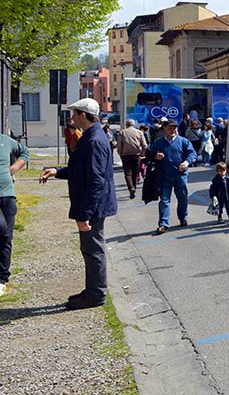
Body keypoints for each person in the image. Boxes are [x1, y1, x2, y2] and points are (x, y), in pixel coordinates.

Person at [39, 98, 117, 310]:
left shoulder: (94, 140)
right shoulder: (92, 136)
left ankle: (96, 293)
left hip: (93, 206)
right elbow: (80, 170)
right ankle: (92, 290)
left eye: (74, 114)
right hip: (91, 204)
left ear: (83, 115)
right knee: (89, 249)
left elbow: (96, 181)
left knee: (93, 250)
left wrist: (85, 215)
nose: (72, 118)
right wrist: (57, 171)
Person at [148, 117, 197, 234]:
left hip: (180, 175)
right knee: (164, 200)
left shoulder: (183, 141)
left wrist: (186, 162)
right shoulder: (158, 142)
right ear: (164, 128)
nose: (173, 130)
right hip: (165, 176)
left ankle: (183, 217)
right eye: (170, 128)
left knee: (182, 198)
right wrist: (155, 156)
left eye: (174, 128)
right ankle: (163, 224)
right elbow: (150, 154)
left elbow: (192, 154)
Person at [0, 134, 29, 297]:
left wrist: (14, 168)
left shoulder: (5, 141)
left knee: (6, 238)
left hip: (8, 195)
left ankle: (2, 279)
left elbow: (25, 152)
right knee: (2, 229)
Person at [117, 118, 148, 199]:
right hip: (136, 155)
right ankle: (134, 187)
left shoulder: (122, 132)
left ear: (126, 125)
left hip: (125, 155)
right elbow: (145, 145)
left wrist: (120, 154)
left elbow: (119, 145)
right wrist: (142, 153)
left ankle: (131, 188)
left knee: (127, 173)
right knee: (135, 173)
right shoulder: (139, 132)